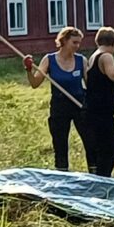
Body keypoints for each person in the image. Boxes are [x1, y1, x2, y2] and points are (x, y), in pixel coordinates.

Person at [21, 26, 92, 170]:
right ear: (64, 41)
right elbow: (35, 83)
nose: (77, 46)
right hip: (59, 106)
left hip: (79, 105)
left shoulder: (81, 60)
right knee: (60, 144)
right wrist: (29, 70)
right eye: (74, 42)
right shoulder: (49, 60)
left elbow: (91, 86)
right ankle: (62, 176)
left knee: (90, 141)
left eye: (79, 43)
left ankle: (95, 173)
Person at [80, 26, 114, 177]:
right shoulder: (106, 56)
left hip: (94, 110)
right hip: (101, 112)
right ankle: (103, 178)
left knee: (105, 148)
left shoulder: (94, 56)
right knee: (112, 147)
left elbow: (99, 85)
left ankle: (101, 176)